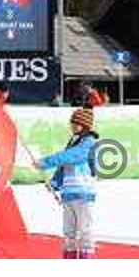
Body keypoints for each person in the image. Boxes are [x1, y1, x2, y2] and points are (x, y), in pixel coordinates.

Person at [35, 107, 99, 259]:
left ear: (84, 125)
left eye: (76, 123)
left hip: (84, 193)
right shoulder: (73, 141)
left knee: (84, 230)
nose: (72, 126)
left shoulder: (90, 143)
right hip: (69, 194)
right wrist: (55, 183)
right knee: (69, 231)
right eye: (72, 123)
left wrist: (45, 162)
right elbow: (64, 166)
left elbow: (70, 157)